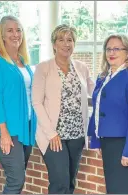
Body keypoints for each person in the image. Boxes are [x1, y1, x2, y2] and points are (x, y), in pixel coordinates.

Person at [32, 24, 95, 194]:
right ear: (54, 44)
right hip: (54, 135)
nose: (66, 44)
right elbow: (36, 102)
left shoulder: (81, 67)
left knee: (70, 182)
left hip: (76, 134)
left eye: (70, 40)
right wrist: (51, 133)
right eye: (61, 39)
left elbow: (95, 92)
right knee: (60, 182)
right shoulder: (43, 68)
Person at [87, 34, 128, 194]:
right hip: (108, 143)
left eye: (116, 49)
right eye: (108, 49)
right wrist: (97, 139)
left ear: (127, 53)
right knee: (113, 189)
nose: (111, 53)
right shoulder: (103, 78)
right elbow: (98, 109)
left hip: (123, 144)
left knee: (125, 189)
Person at [0, 15, 36, 194]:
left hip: (25, 127)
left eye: (18, 30)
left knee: (18, 177)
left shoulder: (23, 61)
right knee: (16, 180)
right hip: (7, 130)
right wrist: (4, 133)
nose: (15, 34)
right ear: (2, 35)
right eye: (10, 30)